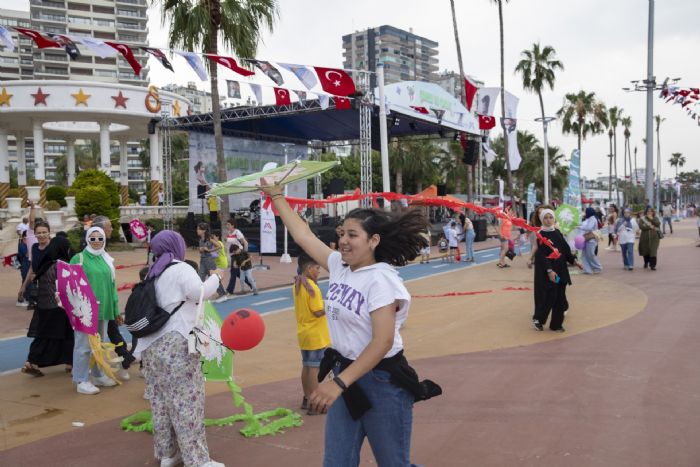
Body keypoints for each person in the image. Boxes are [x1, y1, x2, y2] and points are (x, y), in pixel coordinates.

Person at [260, 177, 440, 467]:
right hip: (346, 376)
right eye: (342, 233)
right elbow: (304, 236)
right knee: (336, 462)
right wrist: (277, 196)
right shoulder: (339, 267)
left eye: (353, 235)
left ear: (373, 240)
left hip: (382, 382)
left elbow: (382, 342)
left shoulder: (381, 280)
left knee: (393, 464)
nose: (343, 240)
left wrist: (338, 384)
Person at [134, 231, 225, 467]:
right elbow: (199, 293)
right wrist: (216, 277)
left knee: (161, 402)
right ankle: (197, 460)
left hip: (152, 347)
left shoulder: (155, 272)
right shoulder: (181, 268)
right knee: (187, 402)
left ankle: (168, 454)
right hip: (177, 344)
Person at [69, 226, 120, 394]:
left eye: (100, 238)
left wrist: (116, 308)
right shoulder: (79, 258)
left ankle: (98, 375)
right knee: (83, 345)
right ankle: (81, 380)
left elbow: (112, 287)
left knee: (99, 344)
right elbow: (69, 283)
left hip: (104, 308)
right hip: (84, 310)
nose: (96, 241)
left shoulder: (107, 259)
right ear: (87, 239)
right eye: (93, 238)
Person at [21, 236, 76, 377]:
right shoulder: (62, 265)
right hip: (59, 307)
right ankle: (32, 361)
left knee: (47, 334)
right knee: (62, 334)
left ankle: (69, 362)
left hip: (44, 306)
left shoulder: (46, 263)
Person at [94, 215, 135, 380]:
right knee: (103, 335)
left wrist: (115, 307)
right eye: (109, 226)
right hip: (97, 303)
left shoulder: (103, 252)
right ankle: (122, 358)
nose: (112, 229)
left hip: (107, 302)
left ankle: (124, 358)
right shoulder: (89, 254)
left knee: (112, 331)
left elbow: (110, 283)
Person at [532, 209, 582, 332]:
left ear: (554, 219)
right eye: (545, 218)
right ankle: (538, 319)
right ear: (542, 220)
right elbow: (542, 255)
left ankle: (556, 324)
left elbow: (565, 249)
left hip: (560, 269)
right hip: (546, 271)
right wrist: (549, 270)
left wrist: (574, 261)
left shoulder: (557, 232)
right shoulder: (540, 234)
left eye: (550, 217)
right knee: (548, 297)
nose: (548, 220)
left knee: (560, 297)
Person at [293, 253, 330, 415]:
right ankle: (316, 401)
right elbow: (317, 311)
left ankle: (307, 397)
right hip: (316, 333)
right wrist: (330, 306)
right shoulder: (313, 287)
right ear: (308, 268)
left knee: (307, 366)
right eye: (317, 268)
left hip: (304, 332)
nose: (319, 271)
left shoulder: (298, 284)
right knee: (315, 368)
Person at [18, 219, 51, 309]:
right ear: (35, 235)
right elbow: (32, 267)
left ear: (49, 233)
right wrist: (24, 286)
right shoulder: (34, 248)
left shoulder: (54, 247)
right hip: (39, 289)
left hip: (53, 290)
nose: (42, 235)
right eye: (39, 233)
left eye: (44, 232)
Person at [224, 219, 250, 295]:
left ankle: (229, 290)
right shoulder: (228, 233)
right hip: (233, 255)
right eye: (226, 224)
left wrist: (245, 255)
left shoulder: (237, 232)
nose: (227, 226)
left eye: (228, 224)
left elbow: (245, 243)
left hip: (238, 255)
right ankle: (251, 284)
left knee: (233, 272)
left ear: (233, 225)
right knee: (237, 273)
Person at [579, 207, 603, 274]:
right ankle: (587, 269)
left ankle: (597, 267)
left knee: (590, 254)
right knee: (584, 255)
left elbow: (589, 228)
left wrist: (580, 227)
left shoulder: (593, 218)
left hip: (591, 239)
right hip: (586, 239)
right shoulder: (589, 218)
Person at [638, 206, 661, 270]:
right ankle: (646, 262)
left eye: (651, 211)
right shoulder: (642, 219)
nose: (649, 212)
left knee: (653, 251)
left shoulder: (655, 218)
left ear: (653, 212)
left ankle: (652, 265)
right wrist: (651, 227)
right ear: (646, 212)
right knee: (646, 251)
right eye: (648, 211)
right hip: (644, 237)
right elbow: (641, 227)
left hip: (654, 238)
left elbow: (658, 224)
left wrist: (651, 219)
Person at [210, 230, 228, 299]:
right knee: (219, 278)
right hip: (219, 263)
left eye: (213, 237)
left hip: (221, 263)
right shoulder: (215, 244)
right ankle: (223, 292)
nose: (212, 238)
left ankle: (222, 294)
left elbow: (214, 254)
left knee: (215, 278)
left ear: (217, 236)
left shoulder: (219, 243)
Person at [16, 230, 30, 307]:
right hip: (24, 264)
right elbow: (27, 255)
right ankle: (21, 298)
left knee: (27, 282)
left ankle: (25, 298)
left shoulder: (27, 244)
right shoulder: (22, 245)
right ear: (25, 236)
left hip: (28, 264)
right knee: (25, 281)